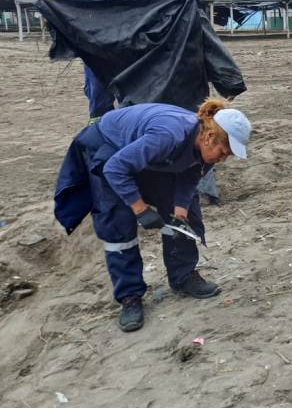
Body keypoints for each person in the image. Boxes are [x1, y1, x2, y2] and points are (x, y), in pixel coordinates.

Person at [54, 97, 251, 332]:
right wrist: (141, 209)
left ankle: (183, 276)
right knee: (118, 223)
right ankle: (130, 296)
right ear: (209, 137)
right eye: (224, 152)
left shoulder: (206, 148)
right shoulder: (168, 136)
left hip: (145, 153)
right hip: (109, 148)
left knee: (188, 217)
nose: (223, 158)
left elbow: (190, 177)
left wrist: (180, 213)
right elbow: (115, 168)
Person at [43, 0, 172, 120]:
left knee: (130, 91)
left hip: (125, 48)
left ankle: (128, 124)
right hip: (94, 49)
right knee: (98, 94)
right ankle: (98, 128)